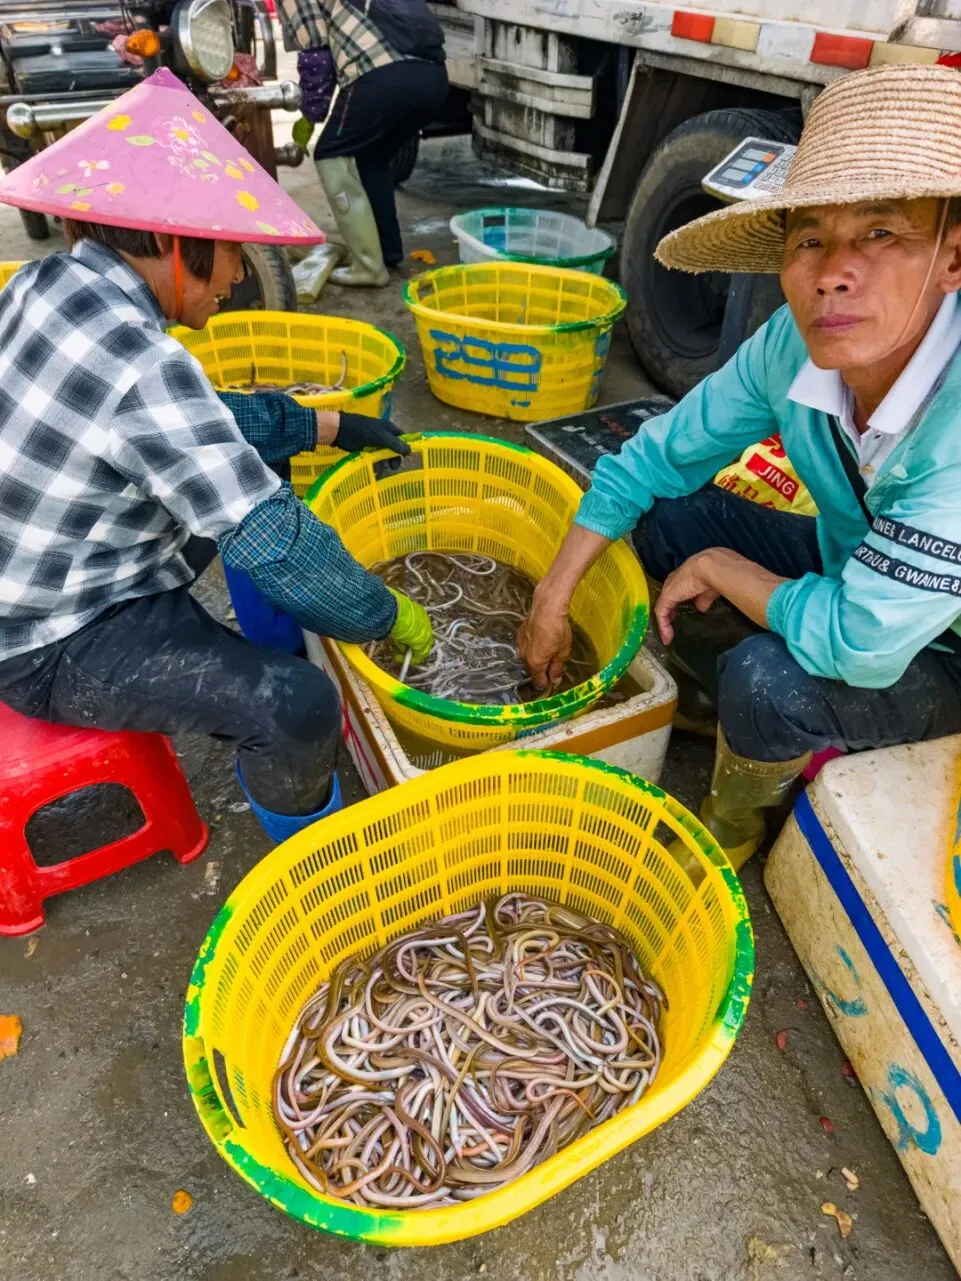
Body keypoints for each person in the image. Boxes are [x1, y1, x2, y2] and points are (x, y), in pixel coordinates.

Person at [519, 63, 961, 870]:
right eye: (809, 239)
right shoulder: (792, 344)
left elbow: (861, 643)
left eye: (881, 233)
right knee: (666, 515)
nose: (833, 271)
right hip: (853, 570)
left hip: (937, 645)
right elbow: (654, 457)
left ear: (952, 258)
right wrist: (551, 596)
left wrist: (724, 567)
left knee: (767, 680)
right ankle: (700, 694)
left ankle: (733, 824)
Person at [0, 69, 432, 843]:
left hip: (45, 567)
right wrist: (387, 614)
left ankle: (259, 641)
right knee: (298, 705)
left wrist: (323, 427)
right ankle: (312, 859)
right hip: (46, 639)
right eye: (230, 251)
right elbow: (283, 548)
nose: (235, 277)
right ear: (172, 242)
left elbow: (185, 425)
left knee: (252, 472)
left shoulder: (45, 282)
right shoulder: (144, 360)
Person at [277, 0, 448, 286]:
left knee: (329, 154)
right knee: (373, 157)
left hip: (381, 77)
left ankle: (368, 267)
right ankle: (387, 251)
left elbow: (317, 59)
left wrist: (309, 118)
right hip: (434, 79)